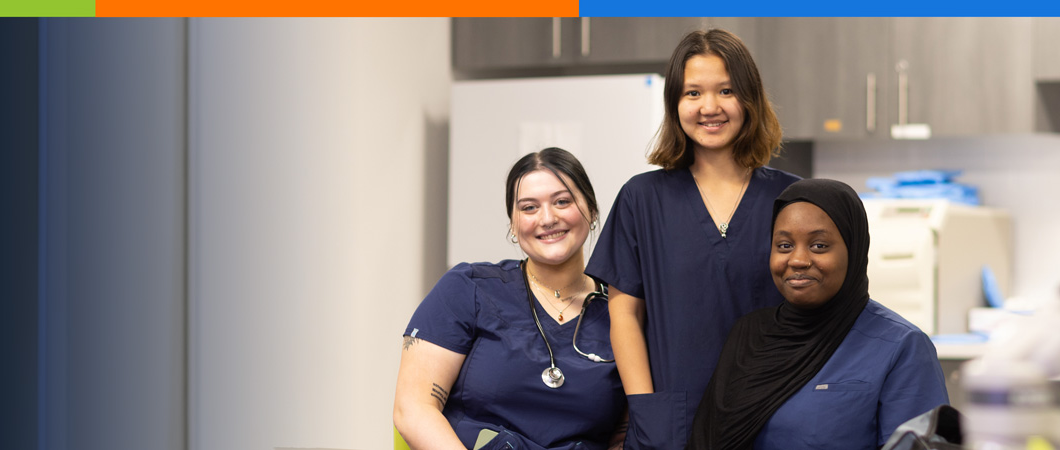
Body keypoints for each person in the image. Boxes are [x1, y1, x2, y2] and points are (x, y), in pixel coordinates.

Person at [585, 29, 801, 450]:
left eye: (726, 90)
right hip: (671, 422)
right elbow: (625, 316)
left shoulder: (792, 199)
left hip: (775, 413)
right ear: (675, 105)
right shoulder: (641, 199)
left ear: (750, 100)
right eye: (692, 93)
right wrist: (646, 411)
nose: (710, 107)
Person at [686, 179, 949, 449]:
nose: (798, 260)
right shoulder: (750, 336)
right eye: (785, 246)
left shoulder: (901, 346)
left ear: (854, 250)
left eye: (819, 246)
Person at [394, 147, 625, 450]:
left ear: (592, 211)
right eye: (529, 208)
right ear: (513, 225)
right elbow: (413, 409)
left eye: (562, 201)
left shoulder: (623, 310)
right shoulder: (469, 288)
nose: (547, 218)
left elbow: (624, 434)